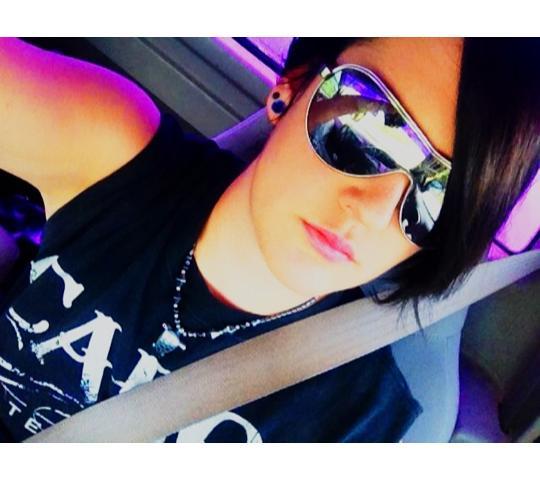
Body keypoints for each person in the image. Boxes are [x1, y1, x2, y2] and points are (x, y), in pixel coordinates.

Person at [0, 37, 537, 443]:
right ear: (290, 90)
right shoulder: (114, 158)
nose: (374, 212)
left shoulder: (366, 428)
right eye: (369, 128)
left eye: (439, 196)